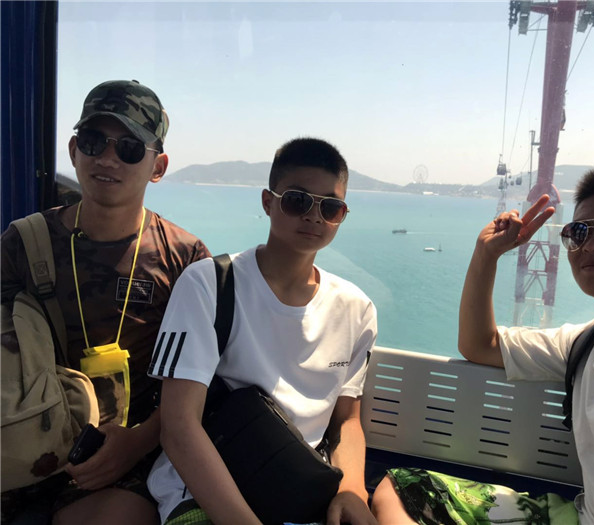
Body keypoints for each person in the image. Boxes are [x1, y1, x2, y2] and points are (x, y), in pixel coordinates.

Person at [371, 162, 594, 525]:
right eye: (578, 232)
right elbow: (481, 345)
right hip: (581, 516)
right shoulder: (591, 341)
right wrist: (487, 254)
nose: (591, 244)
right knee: (403, 488)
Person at [1, 80, 211, 525]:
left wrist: (137, 443)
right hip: (23, 438)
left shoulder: (185, 259)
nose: (108, 159)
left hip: (128, 457)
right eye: (94, 142)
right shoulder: (23, 243)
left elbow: (198, 379)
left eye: (130, 148)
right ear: (74, 150)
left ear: (158, 167)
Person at [146, 137, 378, 525]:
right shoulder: (209, 285)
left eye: (331, 207)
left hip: (300, 488)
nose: (314, 216)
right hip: (202, 491)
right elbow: (178, 427)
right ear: (268, 202)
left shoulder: (356, 309)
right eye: (298, 201)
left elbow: (346, 421)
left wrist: (352, 490)